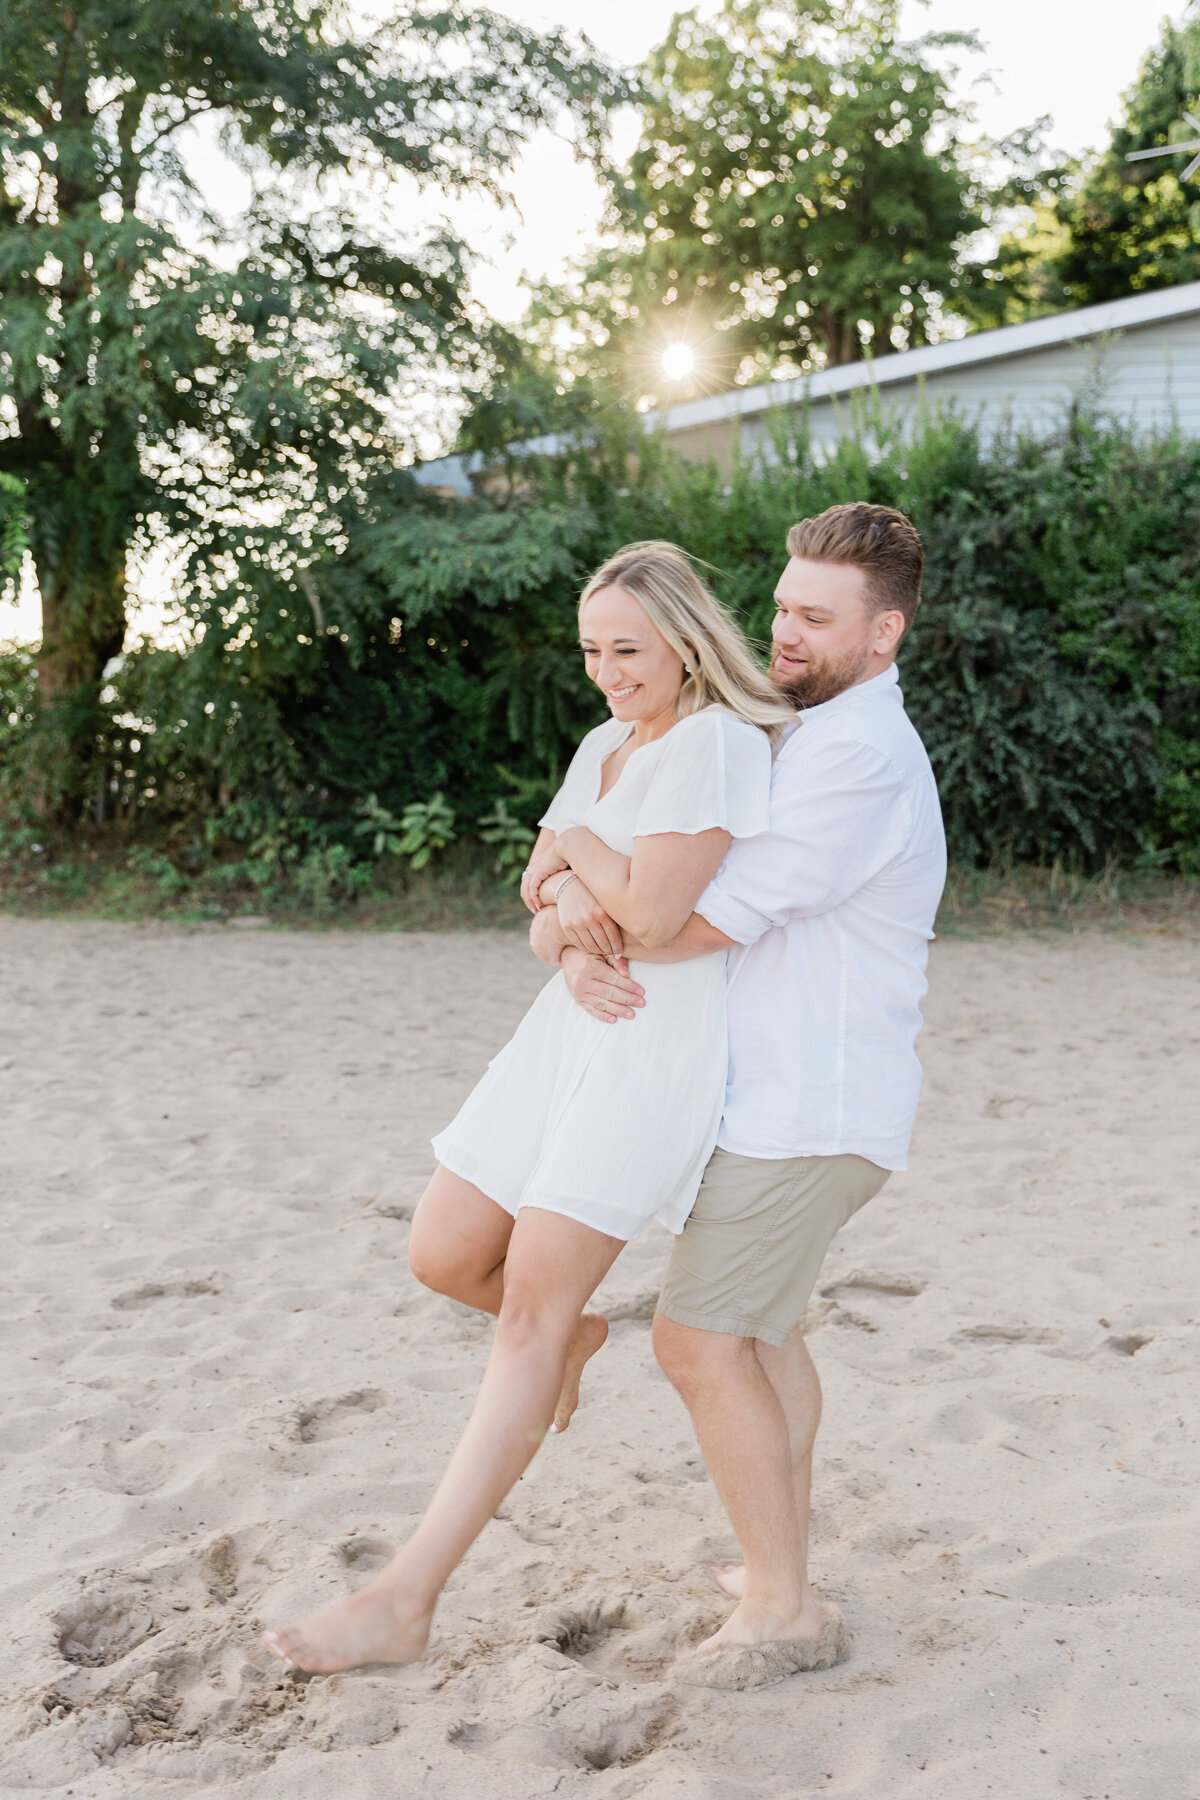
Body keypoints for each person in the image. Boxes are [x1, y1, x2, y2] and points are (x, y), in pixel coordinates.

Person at [262, 540, 793, 1675]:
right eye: (594, 649)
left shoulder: (714, 744)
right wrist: (559, 926)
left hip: (654, 1049)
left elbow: (647, 912)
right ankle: (578, 1335)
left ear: (686, 641)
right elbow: (536, 895)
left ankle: (406, 1597)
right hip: (566, 1029)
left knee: (523, 1318)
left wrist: (576, 855)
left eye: (629, 649)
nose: (607, 671)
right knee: (444, 1252)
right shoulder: (607, 742)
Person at [528, 502, 947, 1685]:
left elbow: (686, 920)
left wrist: (574, 875)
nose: (786, 634)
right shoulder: (794, 733)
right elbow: (621, 884)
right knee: (759, 1336)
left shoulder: (857, 754)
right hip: (771, 1101)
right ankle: (783, 1564)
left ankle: (782, 1606)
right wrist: (568, 905)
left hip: (814, 1108)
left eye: (818, 618)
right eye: (780, 608)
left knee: (698, 1337)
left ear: (885, 636)